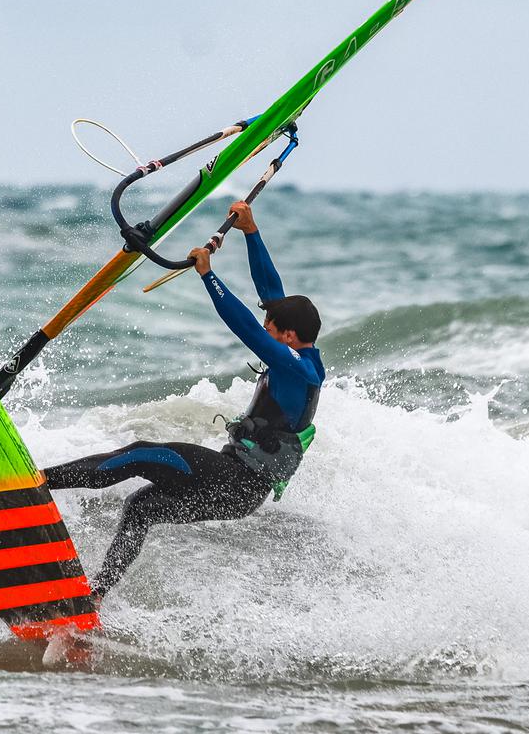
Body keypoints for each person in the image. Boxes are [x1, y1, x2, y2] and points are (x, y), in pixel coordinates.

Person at [42, 200, 324, 601]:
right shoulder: (300, 350)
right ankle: (96, 596)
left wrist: (209, 276)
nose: (266, 326)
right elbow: (271, 294)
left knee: (142, 454)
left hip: (237, 483)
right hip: (240, 487)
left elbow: (249, 330)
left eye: (272, 327)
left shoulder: (298, 369)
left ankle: (37, 483)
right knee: (142, 508)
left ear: (289, 336)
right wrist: (250, 231)